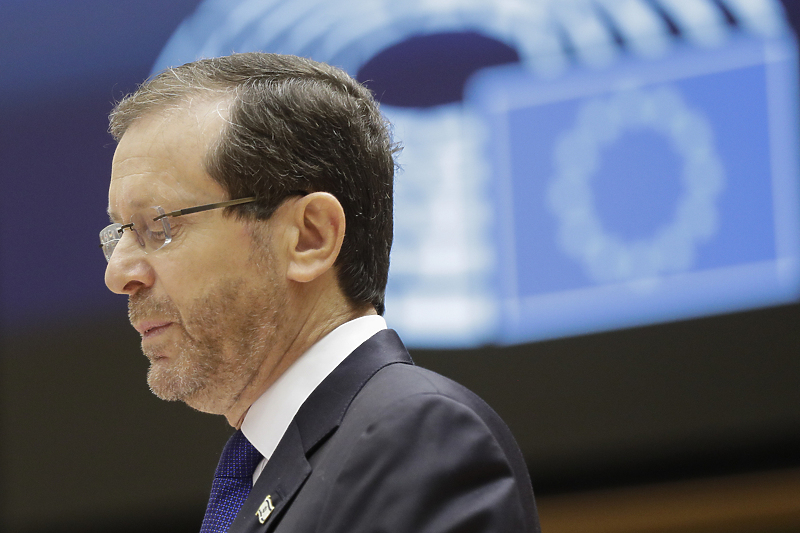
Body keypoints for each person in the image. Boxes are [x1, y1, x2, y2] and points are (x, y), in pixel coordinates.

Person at [100, 52, 540, 533]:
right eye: (118, 234)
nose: (119, 274)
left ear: (310, 237)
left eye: (159, 226)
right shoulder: (276, 467)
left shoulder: (416, 434)